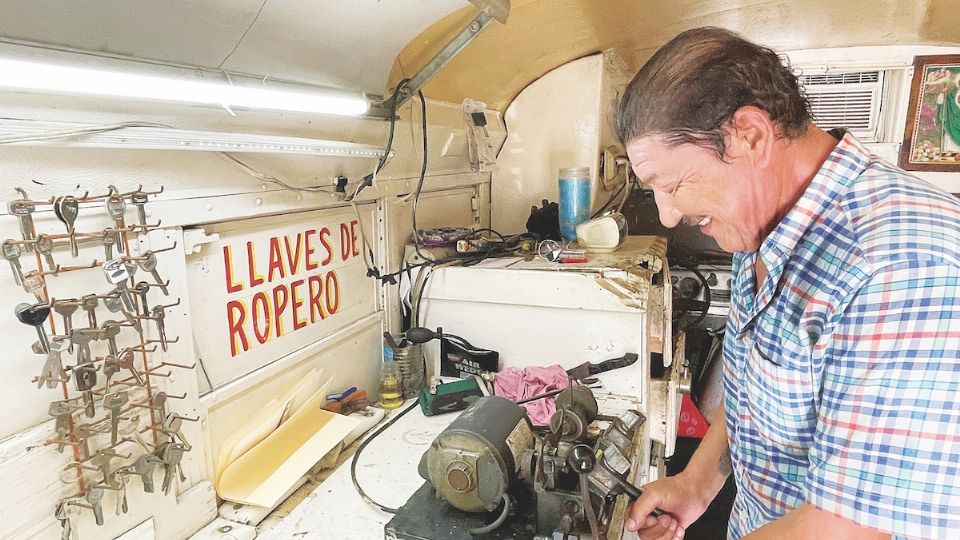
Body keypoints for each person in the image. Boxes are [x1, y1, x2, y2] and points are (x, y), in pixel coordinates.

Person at [615, 27, 960, 539]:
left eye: (675, 184)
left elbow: (846, 528)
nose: (668, 215)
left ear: (749, 136)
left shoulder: (899, 267)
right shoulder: (761, 224)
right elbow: (757, 391)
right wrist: (696, 484)